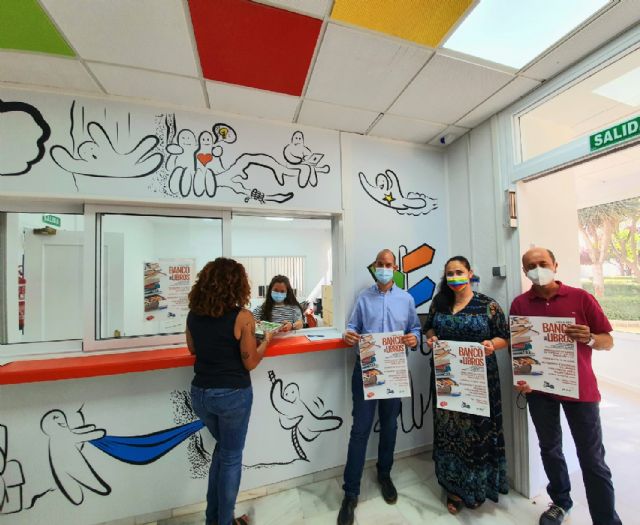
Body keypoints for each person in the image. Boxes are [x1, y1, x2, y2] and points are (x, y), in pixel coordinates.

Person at [511, 247, 622, 525]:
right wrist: (522, 379)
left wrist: (590, 338)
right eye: (531, 266)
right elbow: (519, 348)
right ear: (524, 272)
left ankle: (606, 519)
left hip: (581, 391)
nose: (537, 269)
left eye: (542, 263)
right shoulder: (520, 305)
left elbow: (608, 341)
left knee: (592, 458)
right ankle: (561, 502)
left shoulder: (581, 298)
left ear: (555, 265)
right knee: (550, 449)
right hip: (540, 392)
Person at [186, 257, 273, 525]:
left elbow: (192, 349)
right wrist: (266, 341)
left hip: (200, 394)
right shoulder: (242, 317)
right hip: (232, 395)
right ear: (237, 285)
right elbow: (250, 362)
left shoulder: (193, 315)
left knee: (223, 450)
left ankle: (213, 520)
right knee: (232, 457)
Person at [337, 249, 421, 525]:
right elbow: (352, 327)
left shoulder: (406, 299)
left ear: (395, 268)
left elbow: (415, 329)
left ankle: (384, 474)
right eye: (380, 264)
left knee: (389, 426)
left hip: (394, 371)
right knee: (360, 430)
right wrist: (349, 335)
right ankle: (350, 493)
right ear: (374, 267)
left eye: (388, 264)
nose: (384, 268)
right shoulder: (364, 298)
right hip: (366, 370)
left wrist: (414, 339)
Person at [423, 255, 510, 514]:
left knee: (476, 435)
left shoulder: (488, 306)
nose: (454, 277)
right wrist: (432, 338)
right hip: (446, 379)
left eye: (459, 271)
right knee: (449, 433)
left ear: (470, 273)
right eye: (450, 273)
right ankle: (453, 488)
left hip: (479, 381)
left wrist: (491, 345)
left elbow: (504, 337)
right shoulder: (439, 303)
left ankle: (478, 486)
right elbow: (428, 328)